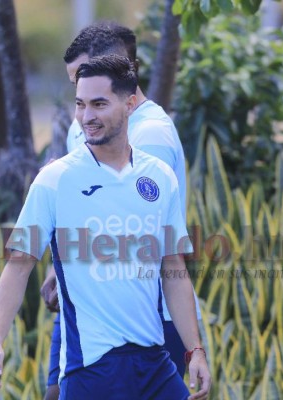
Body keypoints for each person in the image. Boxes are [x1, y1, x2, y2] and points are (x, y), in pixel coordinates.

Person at [0, 54, 210, 400]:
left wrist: (195, 350)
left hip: (155, 362)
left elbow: (173, 268)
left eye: (99, 104)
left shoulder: (159, 176)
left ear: (129, 104)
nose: (87, 116)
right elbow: (19, 265)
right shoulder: (54, 180)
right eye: (80, 104)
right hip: (92, 368)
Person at [40, 22, 203, 400]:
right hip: (84, 309)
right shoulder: (84, 127)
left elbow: (151, 243)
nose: (82, 105)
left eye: (89, 85)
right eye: (75, 89)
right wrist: (57, 265)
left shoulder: (151, 137)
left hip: (145, 321)